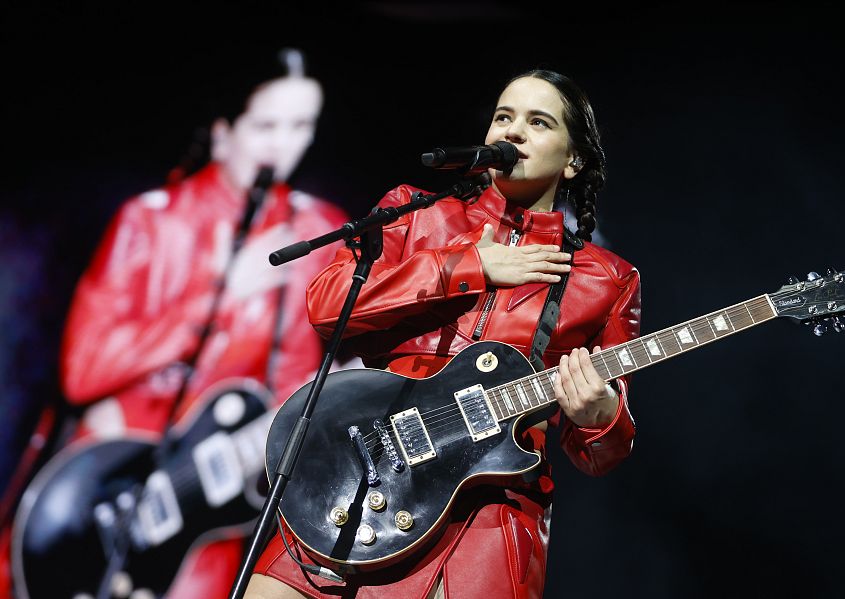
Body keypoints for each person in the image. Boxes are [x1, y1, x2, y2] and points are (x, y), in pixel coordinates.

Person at [245, 69, 641, 599]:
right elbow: (326, 303)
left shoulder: (606, 279)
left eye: (538, 122)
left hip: (481, 523)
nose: (514, 131)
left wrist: (599, 419)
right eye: (504, 116)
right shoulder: (418, 213)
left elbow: (599, 453)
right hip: (357, 476)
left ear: (573, 160)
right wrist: (465, 262)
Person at [1, 49, 350, 599]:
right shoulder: (151, 219)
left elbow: (298, 388)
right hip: (105, 482)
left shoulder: (320, 231)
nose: (282, 145)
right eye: (265, 126)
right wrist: (217, 296)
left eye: (301, 126)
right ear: (222, 132)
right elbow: (84, 371)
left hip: (210, 505)